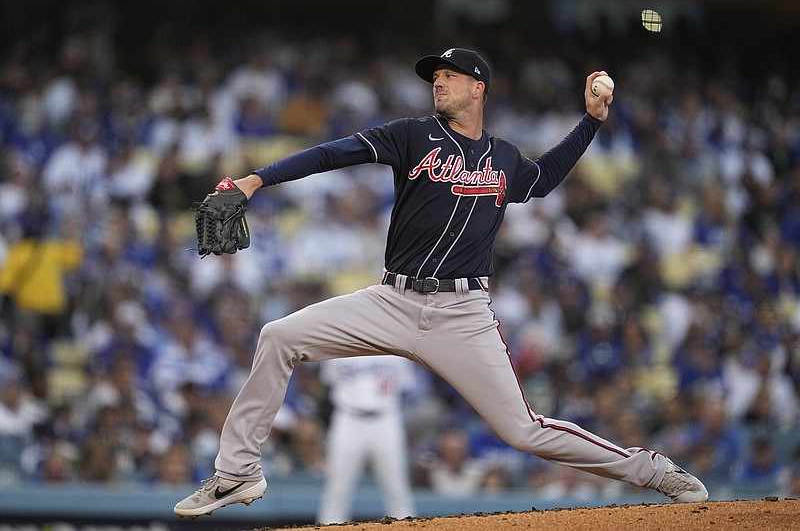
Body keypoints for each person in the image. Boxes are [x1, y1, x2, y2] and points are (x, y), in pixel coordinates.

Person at [174, 47, 708, 518]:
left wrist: (590, 123)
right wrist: (256, 178)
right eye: (435, 76)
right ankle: (238, 471)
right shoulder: (412, 135)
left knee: (522, 430)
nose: (439, 81)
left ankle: (652, 471)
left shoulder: (502, 158)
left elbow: (542, 181)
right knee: (278, 336)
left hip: (462, 313)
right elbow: (334, 152)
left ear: (478, 88)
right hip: (391, 298)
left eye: (450, 75)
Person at [316, 355, 416, 524]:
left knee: (397, 492)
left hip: (386, 418)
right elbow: (328, 381)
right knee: (337, 492)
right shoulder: (339, 340)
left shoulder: (395, 342)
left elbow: (404, 385)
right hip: (348, 418)